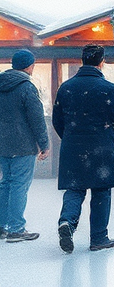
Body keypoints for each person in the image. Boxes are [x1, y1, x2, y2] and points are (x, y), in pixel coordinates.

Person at [52, 44, 114, 253]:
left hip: (73, 147)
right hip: (101, 148)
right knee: (101, 190)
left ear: (82, 60)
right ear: (101, 62)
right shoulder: (108, 88)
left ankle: (67, 221)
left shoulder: (66, 88)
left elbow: (57, 121)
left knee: (74, 187)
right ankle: (98, 238)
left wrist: (71, 138)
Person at [0, 49, 50, 243]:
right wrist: (44, 144)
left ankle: (2, 225)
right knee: (19, 185)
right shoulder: (26, 87)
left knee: (5, 184)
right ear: (30, 66)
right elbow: (36, 119)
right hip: (23, 145)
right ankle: (16, 229)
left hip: (3, 144)